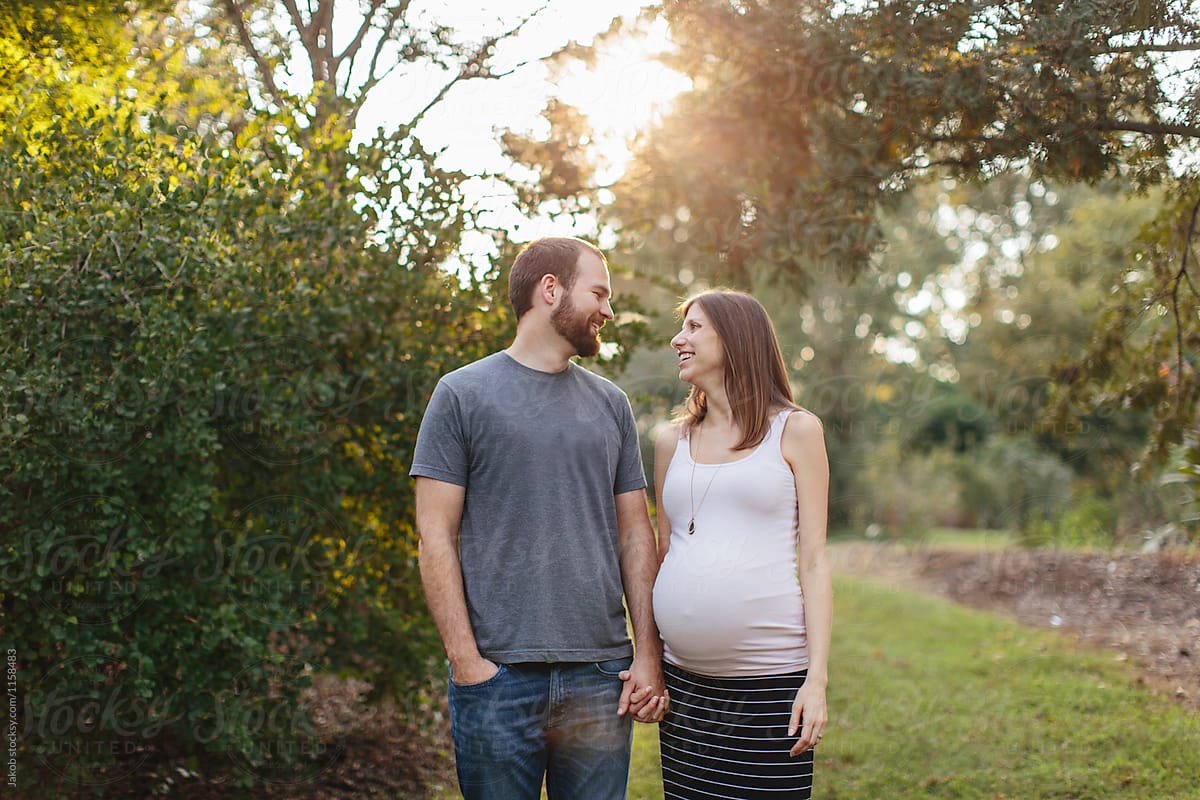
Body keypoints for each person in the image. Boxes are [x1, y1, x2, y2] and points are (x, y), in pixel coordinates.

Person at [410, 236, 667, 800]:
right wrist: (466, 662)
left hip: (600, 677)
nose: (608, 310)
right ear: (550, 289)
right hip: (496, 678)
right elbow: (435, 535)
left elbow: (635, 535)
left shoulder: (612, 405)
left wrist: (647, 654)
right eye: (598, 293)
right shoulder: (460, 394)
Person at [652, 289, 832, 799]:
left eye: (694, 327)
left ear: (735, 338)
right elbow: (664, 553)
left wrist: (815, 681)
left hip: (771, 682)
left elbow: (815, 561)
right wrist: (652, 661)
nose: (678, 339)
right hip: (685, 687)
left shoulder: (796, 431)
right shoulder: (671, 441)